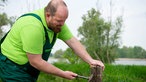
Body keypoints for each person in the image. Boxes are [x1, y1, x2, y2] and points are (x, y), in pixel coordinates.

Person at [0, 0, 104, 82]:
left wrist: (91, 60)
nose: (62, 24)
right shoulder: (33, 27)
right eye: (59, 21)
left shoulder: (57, 24)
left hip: (28, 67)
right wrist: (63, 73)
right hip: (12, 66)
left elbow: (72, 42)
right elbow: (36, 62)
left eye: (64, 21)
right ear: (48, 15)